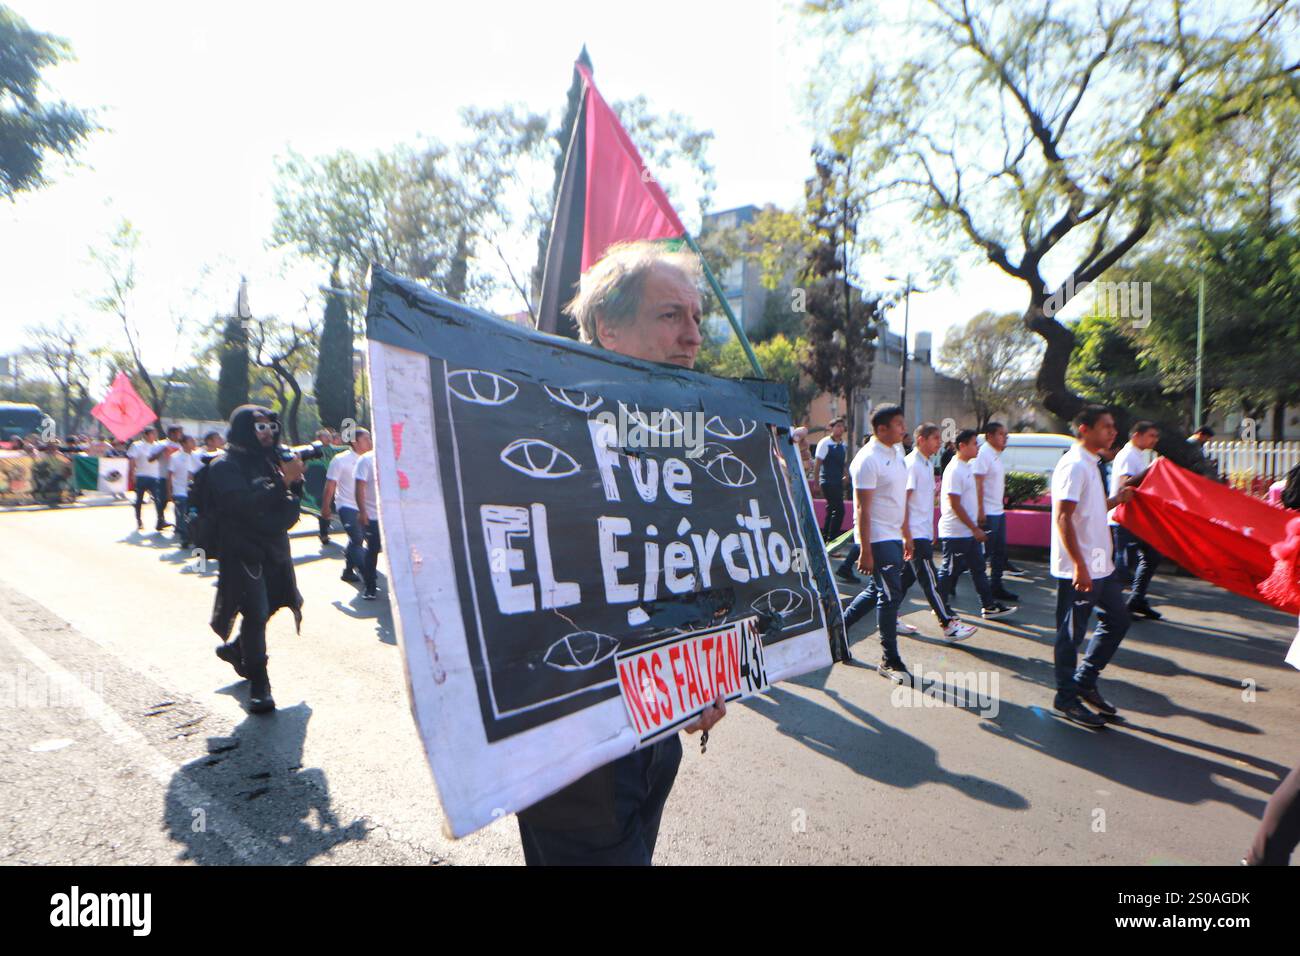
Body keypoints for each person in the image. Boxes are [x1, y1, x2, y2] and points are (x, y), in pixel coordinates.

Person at [512, 240, 725, 866]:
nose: (692, 336)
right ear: (608, 328)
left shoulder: (682, 444)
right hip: (573, 742)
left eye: (696, 318)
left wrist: (703, 671)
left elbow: (685, 567)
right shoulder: (540, 436)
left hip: (656, 733)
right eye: (670, 316)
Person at [206, 406, 305, 714]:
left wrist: (294, 480)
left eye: (270, 427)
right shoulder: (224, 465)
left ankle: (237, 649)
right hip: (242, 551)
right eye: (259, 427)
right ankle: (260, 684)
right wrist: (282, 483)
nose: (268, 433)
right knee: (255, 611)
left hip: (274, 546)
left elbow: (290, 503)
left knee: (279, 599)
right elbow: (243, 506)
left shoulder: (271, 460)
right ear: (245, 429)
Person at [1048, 404, 1135, 729]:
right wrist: (1079, 567)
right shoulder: (1073, 465)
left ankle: (1085, 681)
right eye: (1106, 426)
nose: (1113, 432)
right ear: (1084, 429)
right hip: (1080, 568)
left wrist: (1116, 501)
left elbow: (1088, 511)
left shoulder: (1092, 464)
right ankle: (1065, 697)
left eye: (1113, 427)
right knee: (1070, 635)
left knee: (1118, 620)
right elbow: (1063, 517)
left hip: (1101, 565)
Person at [837, 404, 914, 682]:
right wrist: (866, 550)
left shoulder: (897, 451)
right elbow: (862, 509)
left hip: (893, 535)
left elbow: (900, 497)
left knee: (876, 591)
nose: (904, 429)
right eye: (898, 424)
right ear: (881, 429)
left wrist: (906, 533)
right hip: (878, 537)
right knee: (889, 596)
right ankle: (889, 659)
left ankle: (836, 631)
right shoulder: (867, 460)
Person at [904, 423, 977, 641]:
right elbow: (903, 503)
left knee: (904, 578)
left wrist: (931, 528)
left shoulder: (927, 464)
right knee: (930, 579)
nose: (939, 442)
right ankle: (947, 624)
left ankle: (889, 614)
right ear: (921, 440)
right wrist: (907, 535)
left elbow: (926, 502)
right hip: (914, 533)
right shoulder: (911, 465)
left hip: (923, 531)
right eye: (935, 438)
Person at [936, 430, 1018, 620]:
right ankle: (940, 605)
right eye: (974, 444)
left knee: (978, 567)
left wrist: (975, 526)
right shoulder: (955, 469)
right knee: (949, 570)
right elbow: (954, 503)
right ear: (962, 446)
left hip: (969, 530)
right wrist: (974, 528)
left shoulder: (967, 466)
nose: (978, 447)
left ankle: (988, 606)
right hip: (956, 532)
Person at [1109, 421, 1163, 620]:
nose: (1154, 440)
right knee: (1123, 565)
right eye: (1151, 435)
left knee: (1152, 556)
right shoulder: (1128, 455)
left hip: (1136, 518)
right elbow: (1125, 485)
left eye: (1155, 436)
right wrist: (1152, 471)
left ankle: (1136, 599)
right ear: (1136, 435)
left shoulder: (1137, 455)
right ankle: (1113, 606)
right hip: (1124, 517)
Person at [973, 422, 1018, 602]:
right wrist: (980, 510)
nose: (1005, 438)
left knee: (999, 552)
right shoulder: (983, 454)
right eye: (1001, 434)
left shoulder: (995, 455)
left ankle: (996, 586)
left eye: (1006, 435)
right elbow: (978, 483)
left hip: (998, 511)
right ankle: (949, 581)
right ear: (989, 436)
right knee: (982, 553)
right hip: (988, 513)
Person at [323, 428, 369, 585]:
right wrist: (326, 508)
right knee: (357, 539)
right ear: (355, 442)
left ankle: (348, 571)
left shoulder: (372, 459)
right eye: (366, 439)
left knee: (357, 540)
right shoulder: (340, 460)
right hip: (346, 505)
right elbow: (330, 485)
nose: (370, 442)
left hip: (366, 507)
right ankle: (368, 577)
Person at [126, 426, 170, 532]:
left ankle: (160, 520)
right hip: (141, 475)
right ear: (145, 435)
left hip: (155, 476)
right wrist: (132, 474)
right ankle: (139, 520)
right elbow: (132, 460)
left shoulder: (157, 446)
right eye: (152, 434)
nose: (154, 436)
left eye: (155, 434)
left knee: (158, 499)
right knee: (139, 500)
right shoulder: (137, 445)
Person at [353, 445, 383, 601]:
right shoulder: (366, 460)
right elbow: (360, 487)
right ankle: (370, 586)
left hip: (393, 516)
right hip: (373, 515)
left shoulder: (396, 457)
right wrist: (363, 511)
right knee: (373, 550)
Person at [815, 418, 849, 542]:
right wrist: (816, 482)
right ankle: (833, 538)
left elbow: (843, 463)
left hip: (838, 481)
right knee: (840, 510)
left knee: (831, 510)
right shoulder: (825, 443)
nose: (840, 428)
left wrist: (846, 474)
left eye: (842, 426)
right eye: (837, 426)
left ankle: (825, 539)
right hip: (828, 481)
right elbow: (818, 463)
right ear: (831, 428)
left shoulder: (843, 444)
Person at [167, 434, 202, 550]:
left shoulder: (198, 455)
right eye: (191, 440)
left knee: (193, 515)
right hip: (180, 490)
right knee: (182, 515)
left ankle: (193, 536)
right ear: (184, 444)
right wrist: (169, 491)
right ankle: (185, 538)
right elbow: (169, 475)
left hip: (194, 491)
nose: (194, 442)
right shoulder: (175, 457)